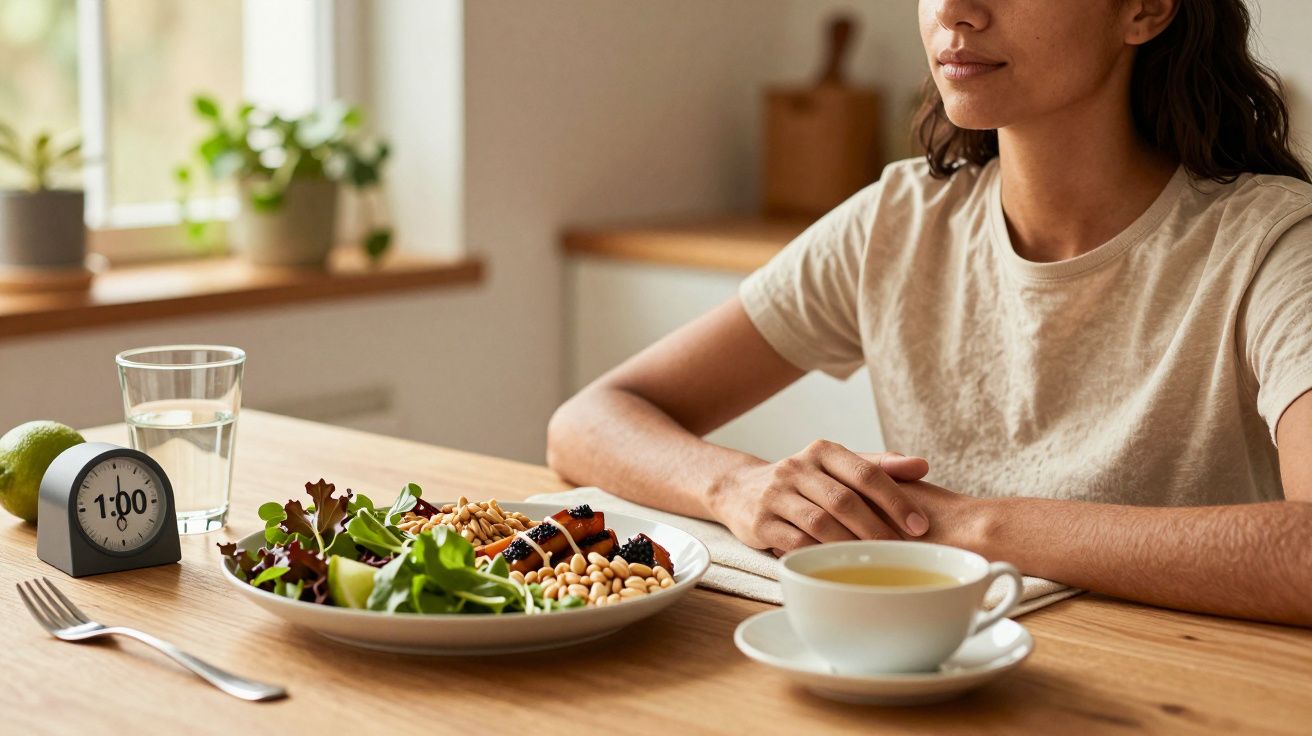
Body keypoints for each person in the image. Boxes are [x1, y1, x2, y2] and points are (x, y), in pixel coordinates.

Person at [546, 0, 1312, 625]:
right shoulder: (897, 221)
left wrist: (971, 526)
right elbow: (585, 425)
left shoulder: (1275, 242)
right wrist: (737, 487)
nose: (954, 9)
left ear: (1144, 10)